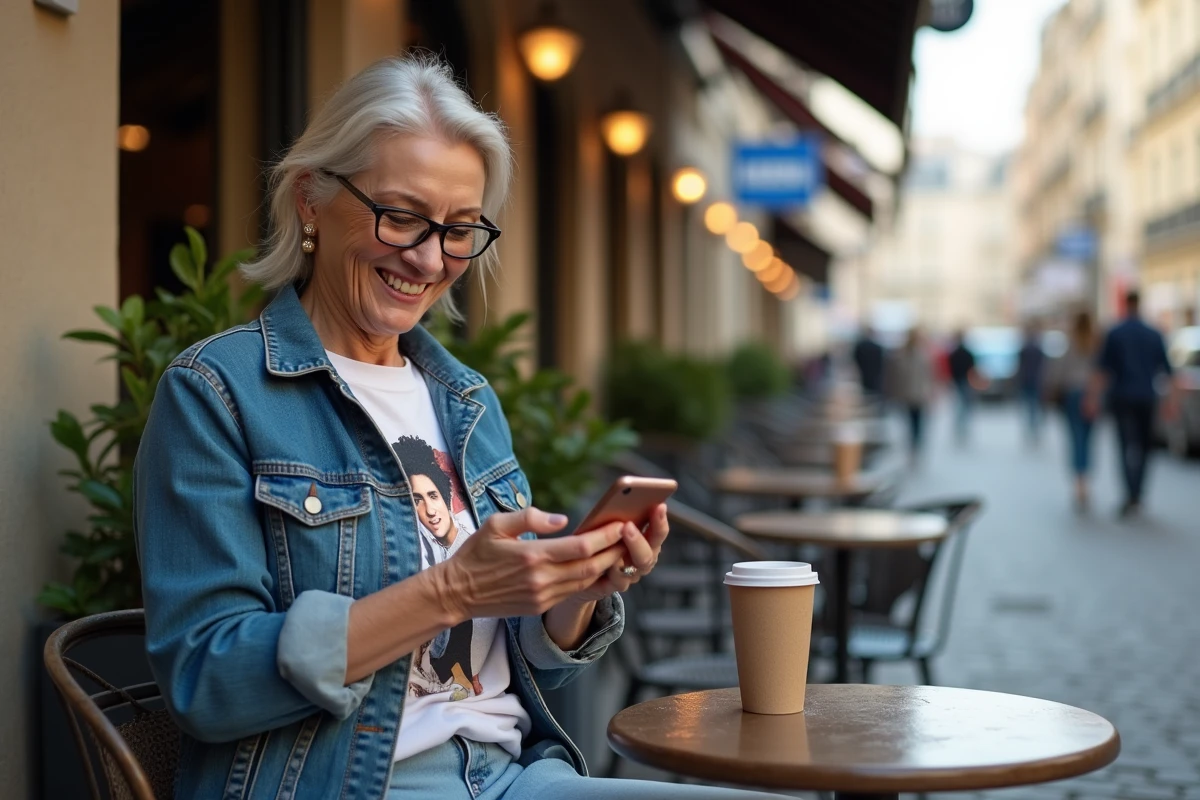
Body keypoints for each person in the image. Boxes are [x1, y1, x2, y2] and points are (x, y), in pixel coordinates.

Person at [134, 56, 790, 800]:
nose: (428, 257)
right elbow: (207, 679)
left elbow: (523, 658)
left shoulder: (464, 400)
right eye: (402, 216)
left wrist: (575, 589)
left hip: (510, 775)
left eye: (458, 230)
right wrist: (448, 591)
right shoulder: (218, 394)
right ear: (310, 199)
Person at [1086, 290, 1178, 518]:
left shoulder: (1115, 333)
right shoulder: (1154, 334)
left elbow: (1102, 370)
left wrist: (1093, 397)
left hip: (1122, 397)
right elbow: (1168, 372)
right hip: (1147, 397)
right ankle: (1138, 492)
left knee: (1125, 446)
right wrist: (1170, 402)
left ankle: (1130, 493)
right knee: (1145, 447)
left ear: (1126, 305)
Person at [1044, 312, 1099, 511]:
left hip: (1074, 395)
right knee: (1088, 439)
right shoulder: (1096, 343)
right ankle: (1085, 481)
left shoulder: (1070, 343)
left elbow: (1057, 372)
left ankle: (1079, 483)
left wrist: (1051, 389)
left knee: (1076, 439)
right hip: (1092, 395)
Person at [886, 327, 936, 459]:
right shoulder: (903, 355)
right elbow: (895, 377)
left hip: (916, 395)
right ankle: (913, 447)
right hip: (910, 395)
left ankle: (915, 447)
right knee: (912, 423)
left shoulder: (922, 355)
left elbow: (929, 376)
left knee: (916, 424)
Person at [946, 330, 979, 443]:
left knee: (960, 406)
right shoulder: (967, 353)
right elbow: (973, 368)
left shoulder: (954, 353)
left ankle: (960, 428)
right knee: (965, 405)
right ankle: (962, 428)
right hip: (965, 381)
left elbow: (951, 369)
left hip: (958, 381)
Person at [1017, 321, 1046, 444]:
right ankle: (1034, 431)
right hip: (1034, 382)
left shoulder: (1025, 349)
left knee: (1030, 408)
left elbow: (1020, 368)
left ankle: (1032, 430)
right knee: (1033, 408)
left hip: (1028, 381)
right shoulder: (1037, 350)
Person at [852, 326, 885, 396]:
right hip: (875, 373)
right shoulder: (878, 347)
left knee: (866, 388)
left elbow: (856, 357)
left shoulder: (861, 346)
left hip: (865, 371)